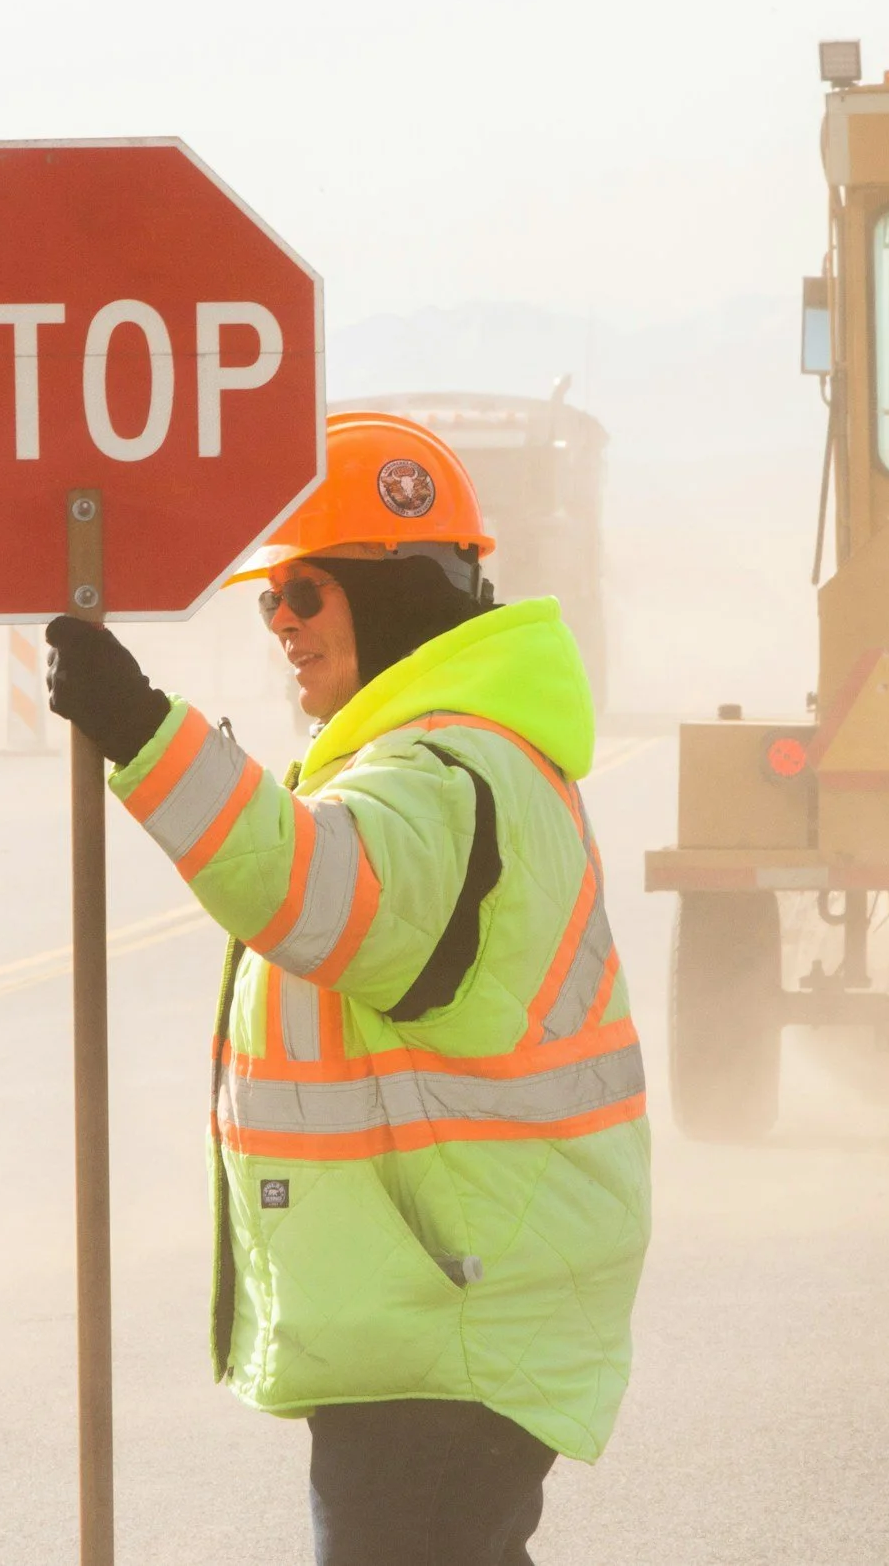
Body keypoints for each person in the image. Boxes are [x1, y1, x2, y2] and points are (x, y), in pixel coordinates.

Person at [41, 411, 651, 1566]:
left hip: (446, 1312)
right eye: (270, 597)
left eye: (305, 592)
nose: (279, 622)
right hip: (441, 1301)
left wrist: (140, 730)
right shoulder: (440, 752)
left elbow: (331, 894)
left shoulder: (444, 766)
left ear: (401, 587)